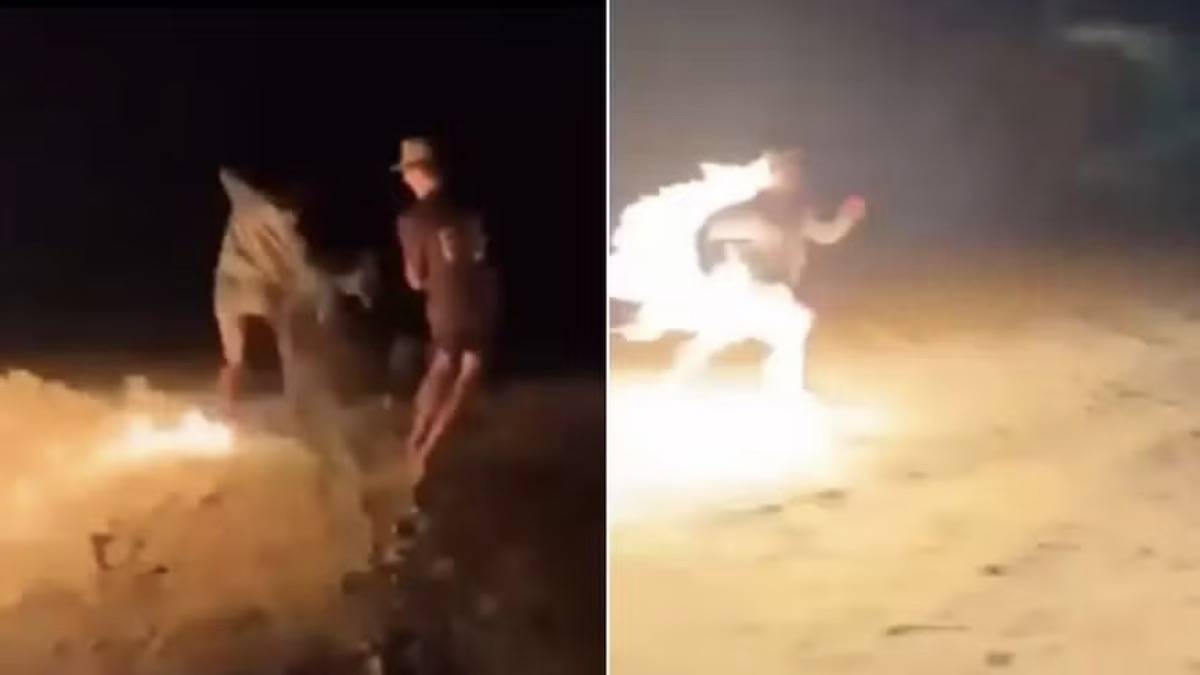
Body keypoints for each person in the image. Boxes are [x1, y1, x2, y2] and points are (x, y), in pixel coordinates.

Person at [392, 138, 499, 484]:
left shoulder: (412, 219)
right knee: (468, 373)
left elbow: (414, 278)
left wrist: (428, 275)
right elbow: (482, 257)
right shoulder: (467, 212)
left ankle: (415, 445)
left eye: (405, 172)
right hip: (479, 300)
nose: (404, 180)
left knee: (441, 366)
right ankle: (429, 452)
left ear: (417, 172)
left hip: (445, 304)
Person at [696, 148, 867, 297]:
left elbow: (825, 235)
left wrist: (846, 218)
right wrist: (760, 229)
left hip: (782, 290)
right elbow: (711, 230)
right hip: (749, 288)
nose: (793, 174)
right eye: (786, 168)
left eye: (795, 169)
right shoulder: (752, 206)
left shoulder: (797, 210)